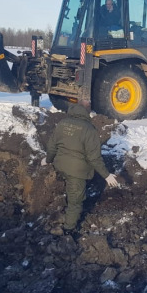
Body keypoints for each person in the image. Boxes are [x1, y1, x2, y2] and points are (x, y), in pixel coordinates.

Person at [46, 98, 119, 237]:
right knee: (76, 202)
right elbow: (94, 158)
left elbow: (51, 146)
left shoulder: (63, 123)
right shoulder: (89, 129)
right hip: (76, 171)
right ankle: (68, 230)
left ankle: (65, 210)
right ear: (87, 111)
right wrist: (106, 175)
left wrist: (48, 160)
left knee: (71, 191)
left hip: (60, 165)